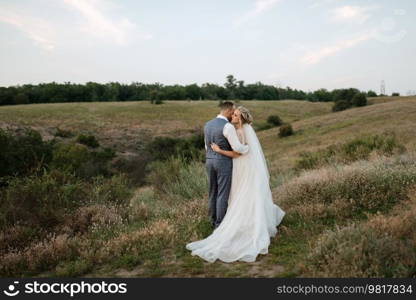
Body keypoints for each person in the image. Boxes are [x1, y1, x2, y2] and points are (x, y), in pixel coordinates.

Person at [186, 106, 285, 263]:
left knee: (239, 193)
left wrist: (218, 150)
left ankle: (231, 223)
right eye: (233, 114)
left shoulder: (239, 131)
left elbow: (239, 152)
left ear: (241, 119)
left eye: (236, 115)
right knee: (240, 193)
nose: (233, 116)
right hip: (239, 166)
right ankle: (240, 221)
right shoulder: (239, 129)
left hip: (240, 165)